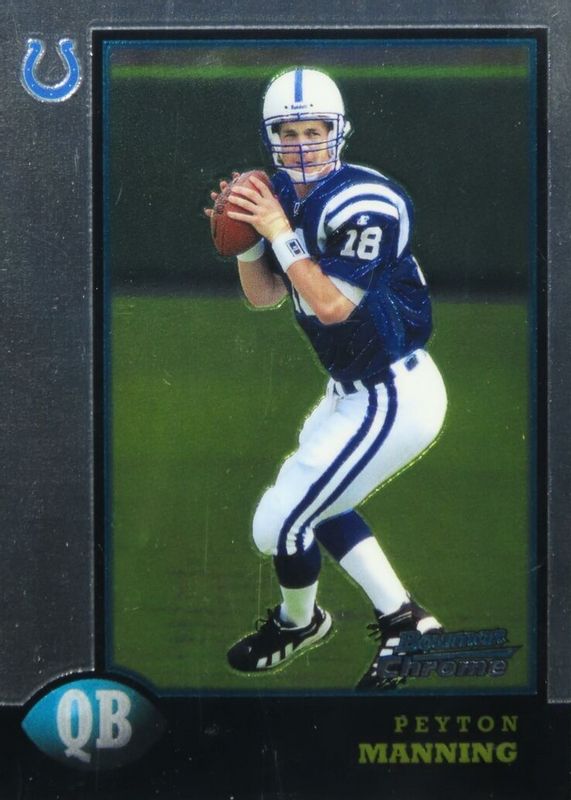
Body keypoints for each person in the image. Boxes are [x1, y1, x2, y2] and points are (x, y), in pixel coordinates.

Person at [206, 67, 447, 690]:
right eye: (288, 133)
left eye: (313, 131)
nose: (302, 145)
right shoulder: (281, 195)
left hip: (395, 392)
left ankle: (302, 623)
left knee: (278, 524)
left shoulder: (366, 201)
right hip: (351, 391)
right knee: (316, 503)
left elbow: (334, 306)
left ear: (337, 132)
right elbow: (265, 296)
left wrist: (278, 232)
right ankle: (405, 621)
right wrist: (246, 244)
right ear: (272, 137)